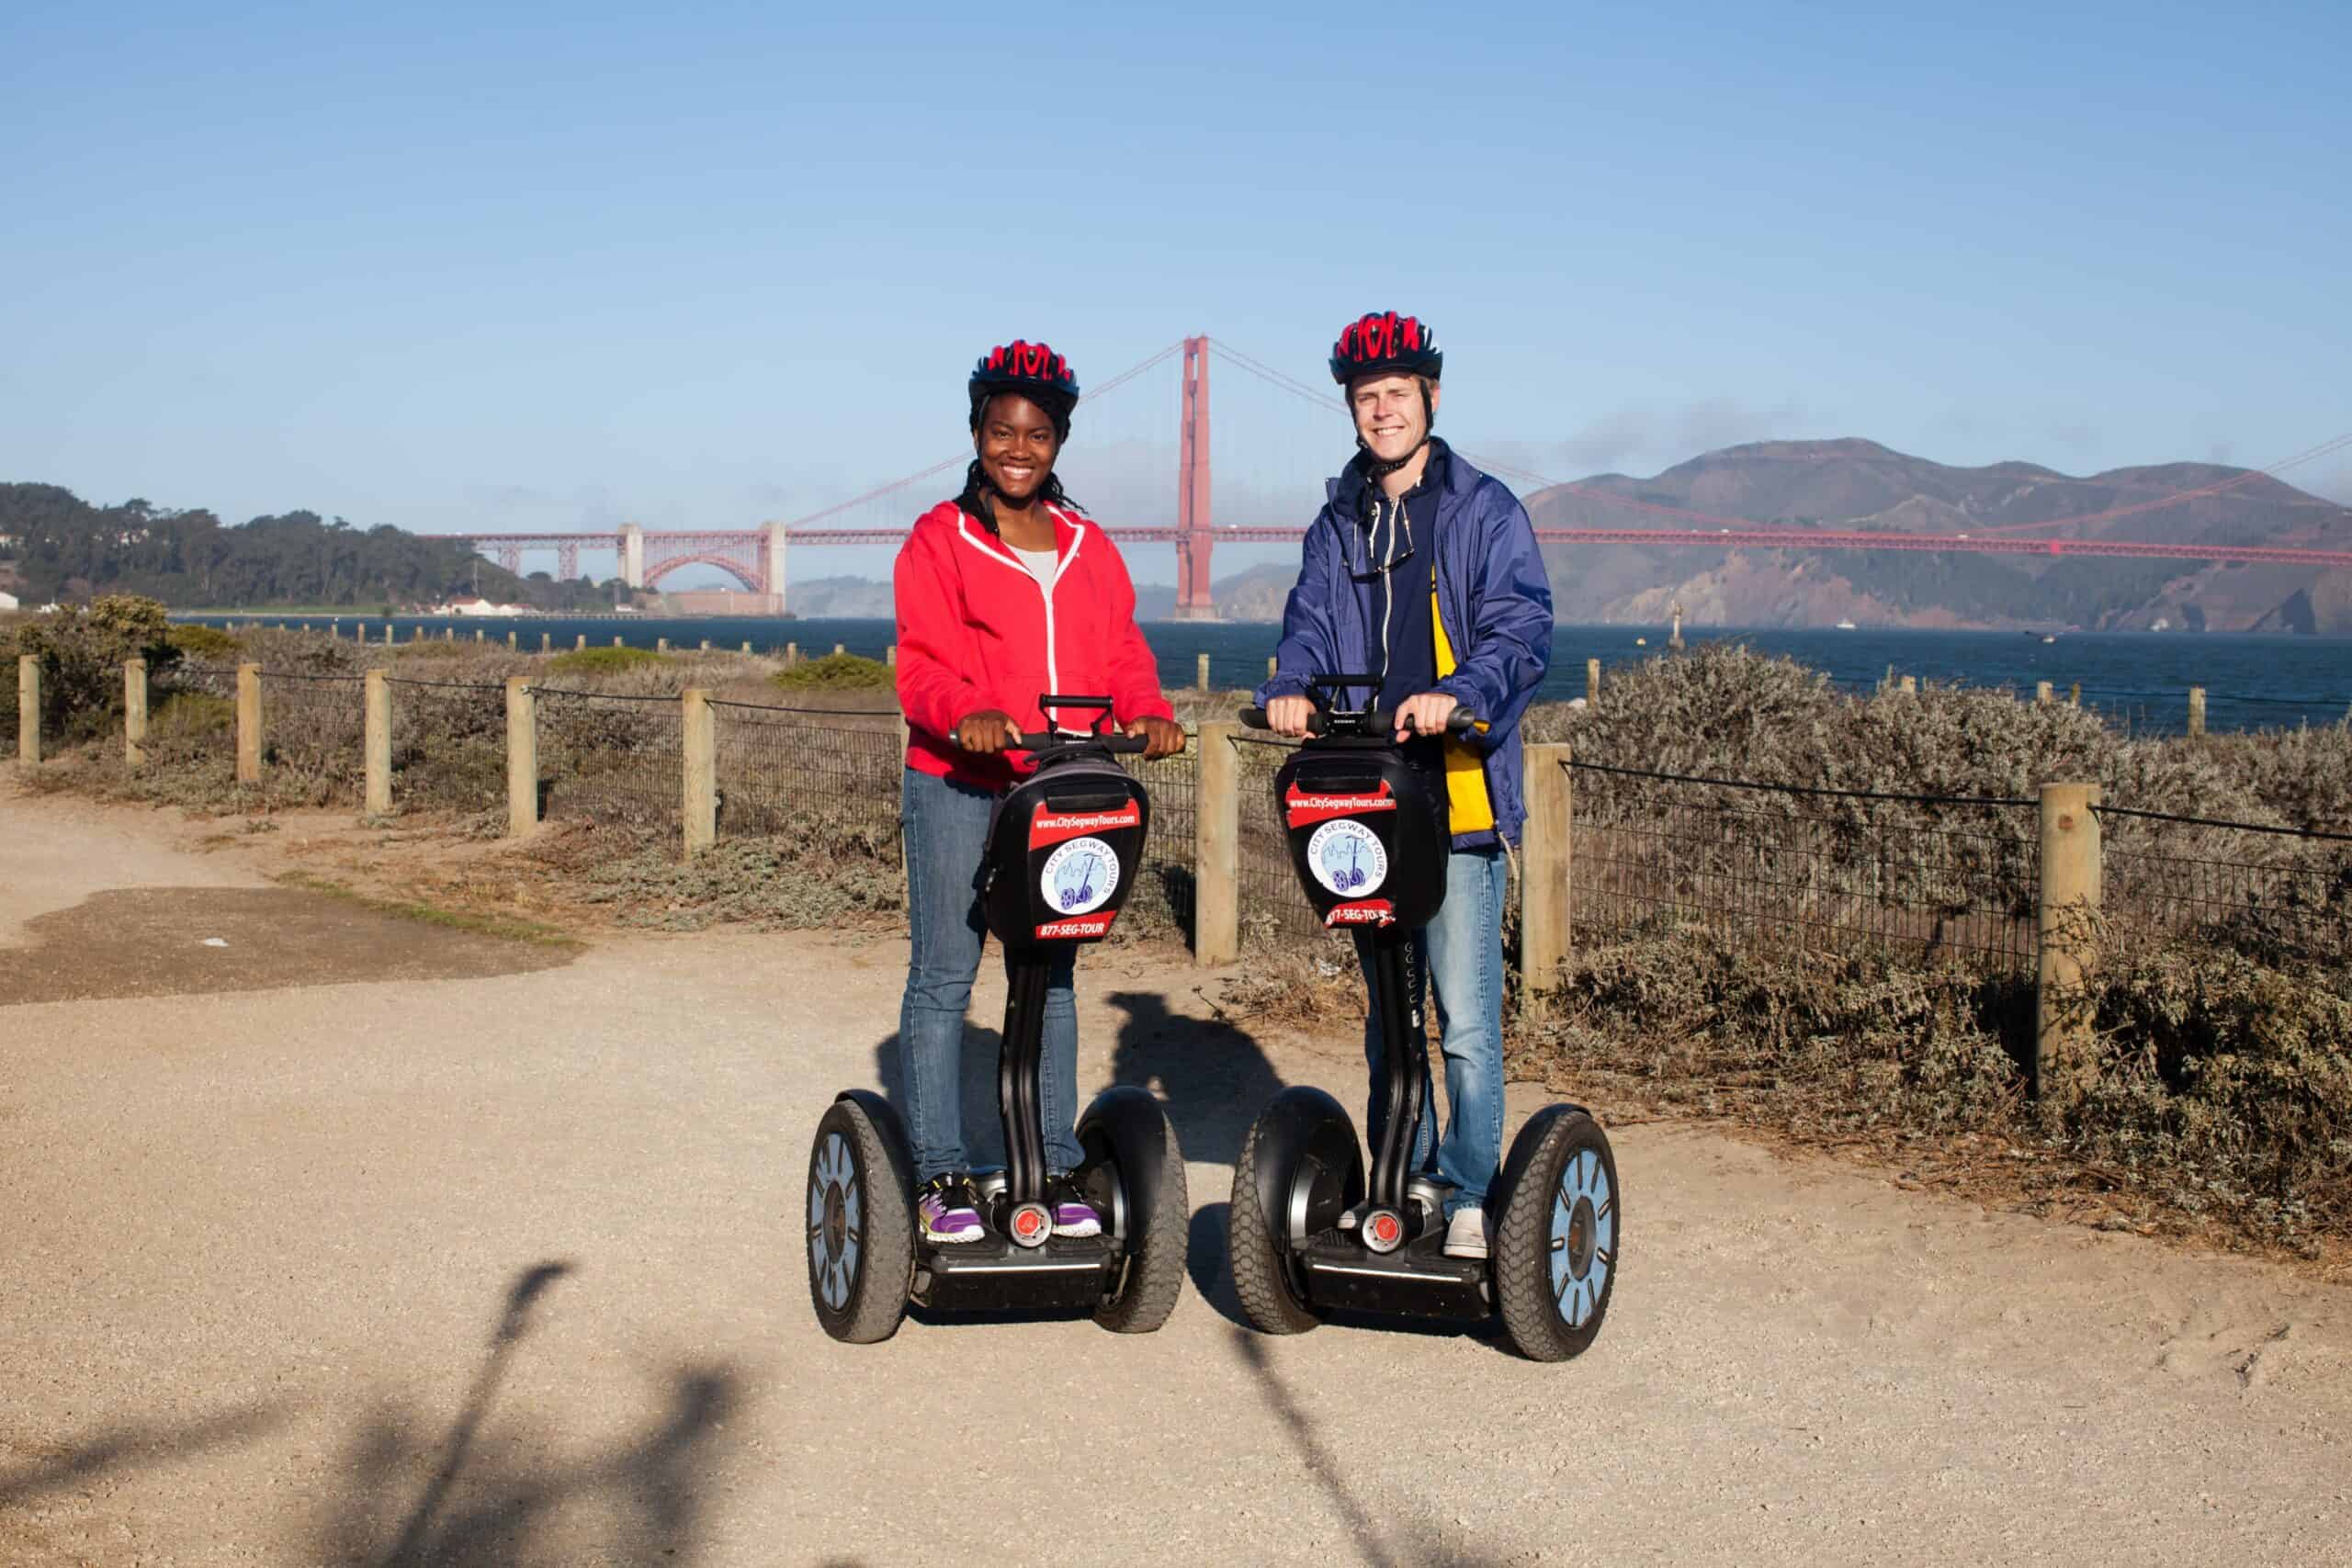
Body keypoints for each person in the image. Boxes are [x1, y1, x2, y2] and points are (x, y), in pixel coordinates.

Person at [1254, 310, 1554, 1258]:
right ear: (1350, 409)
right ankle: (1406, 1171)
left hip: (1453, 793)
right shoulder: (1338, 520)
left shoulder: (1485, 510)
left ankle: (1468, 1188)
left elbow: (1521, 627)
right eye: (1365, 398)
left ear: (1430, 397)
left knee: (1462, 1016)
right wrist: (1286, 689)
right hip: (1364, 792)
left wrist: (1459, 694)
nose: (1382, 411)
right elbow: (1307, 621)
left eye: (1397, 394)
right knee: (1391, 1016)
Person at [892, 339, 1187, 1246]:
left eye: (1036, 435)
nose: (1017, 449)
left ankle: (1054, 1160)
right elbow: (922, 661)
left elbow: (1121, 654)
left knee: (1050, 972)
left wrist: (1149, 713)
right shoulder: (939, 540)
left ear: (1058, 441)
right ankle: (941, 1170)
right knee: (946, 976)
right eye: (1000, 431)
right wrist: (967, 714)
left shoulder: (1090, 548)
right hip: (959, 785)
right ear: (976, 433)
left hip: (1058, 790)